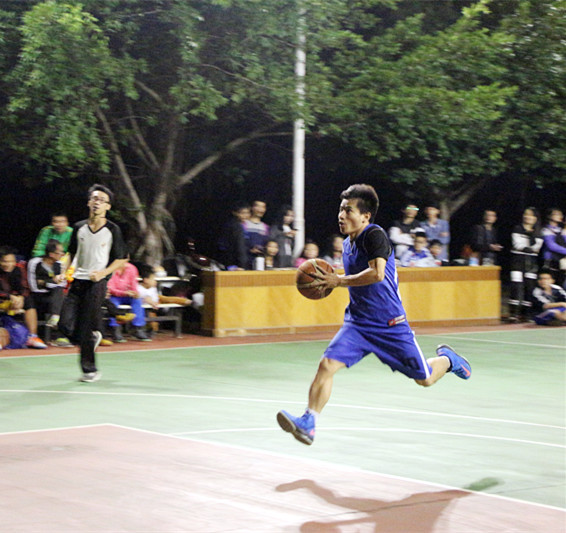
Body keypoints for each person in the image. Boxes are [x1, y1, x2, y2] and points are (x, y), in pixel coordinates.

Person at [277, 184, 471, 446]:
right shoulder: (347, 244)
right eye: (340, 209)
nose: (341, 215)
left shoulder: (375, 235)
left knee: (424, 378)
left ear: (365, 216)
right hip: (358, 323)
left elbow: (377, 273)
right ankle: (309, 422)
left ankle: (448, 360)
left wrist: (338, 280)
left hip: (390, 324)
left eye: (348, 210)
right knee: (327, 365)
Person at [59, 184, 128, 382]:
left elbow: (122, 258)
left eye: (102, 200)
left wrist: (103, 273)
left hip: (96, 284)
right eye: (94, 198)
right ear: (89, 202)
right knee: (64, 324)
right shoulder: (79, 227)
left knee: (86, 326)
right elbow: (70, 253)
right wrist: (63, 272)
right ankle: (90, 338)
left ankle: (90, 370)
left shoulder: (113, 230)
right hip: (77, 281)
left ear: (108, 206)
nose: (97, 202)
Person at [27, 239, 72, 347]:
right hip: (37, 296)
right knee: (59, 295)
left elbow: (62, 284)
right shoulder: (35, 263)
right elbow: (34, 286)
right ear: (51, 254)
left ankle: (61, 331)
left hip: (54, 296)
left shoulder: (59, 265)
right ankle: (58, 332)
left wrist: (47, 282)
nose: (62, 255)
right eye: (60, 252)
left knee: (67, 299)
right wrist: (52, 282)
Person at [0, 247, 47, 348]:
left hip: (13, 301)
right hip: (3, 300)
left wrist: (20, 297)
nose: (9, 264)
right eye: (5, 261)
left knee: (28, 300)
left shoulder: (19, 269)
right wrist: (10, 297)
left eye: (12, 261)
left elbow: (25, 287)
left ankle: (33, 337)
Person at [508, 207, 543, 322]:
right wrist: (527, 248)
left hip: (531, 263)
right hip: (517, 262)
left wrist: (530, 240)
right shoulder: (518, 228)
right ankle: (513, 314)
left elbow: (537, 247)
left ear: (535, 218)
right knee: (516, 286)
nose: (527, 217)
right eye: (526, 214)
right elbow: (517, 245)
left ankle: (527, 314)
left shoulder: (538, 231)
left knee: (529, 288)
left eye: (531, 215)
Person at [107, 258, 151, 342]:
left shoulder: (132, 268)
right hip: (114, 295)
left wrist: (135, 292)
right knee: (113, 304)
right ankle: (115, 329)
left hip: (128, 295)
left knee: (137, 300)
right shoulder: (110, 269)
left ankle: (138, 328)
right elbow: (110, 289)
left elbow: (133, 284)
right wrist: (125, 293)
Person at [217, 204, 250, 270]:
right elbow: (240, 247)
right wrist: (242, 265)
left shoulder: (228, 224)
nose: (245, 216)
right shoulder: (237, 226)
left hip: (224, 261)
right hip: (235, 264)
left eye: (247, 213)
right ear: (234, 213)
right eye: (242, 213)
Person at [541, 208, 566, 284]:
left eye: (561, 215)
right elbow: (551, 246)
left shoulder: (561, 230)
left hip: (561, 261)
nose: (560, 216)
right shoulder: (546, 230)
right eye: (556, 214)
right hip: (550, 261)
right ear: (549, 216)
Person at [243, 200, 270, 269]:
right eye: (258, 206)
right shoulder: (244, 224)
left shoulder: (266, 227)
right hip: (245, 262)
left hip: (260, 262)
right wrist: (249, 250)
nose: (260, 209)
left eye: (263, 207)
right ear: (252, 208)